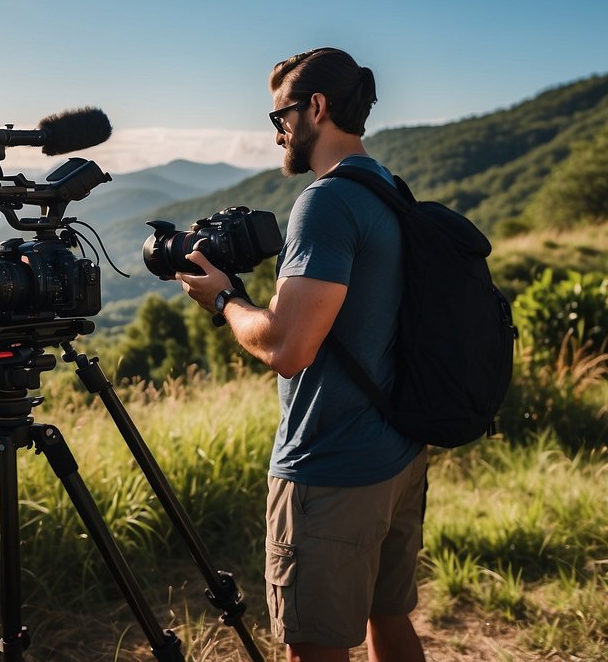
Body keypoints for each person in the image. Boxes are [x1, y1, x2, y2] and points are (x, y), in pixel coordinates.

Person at [176, 48, 428, 662]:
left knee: (312, 648)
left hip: (331, 466)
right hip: (397, 453)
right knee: (388, 621)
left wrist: (225, 300)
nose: (278, 131)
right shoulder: (389, 188)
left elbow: (289, 348)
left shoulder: (326, 202)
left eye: (279, 115)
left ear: (316, 107)